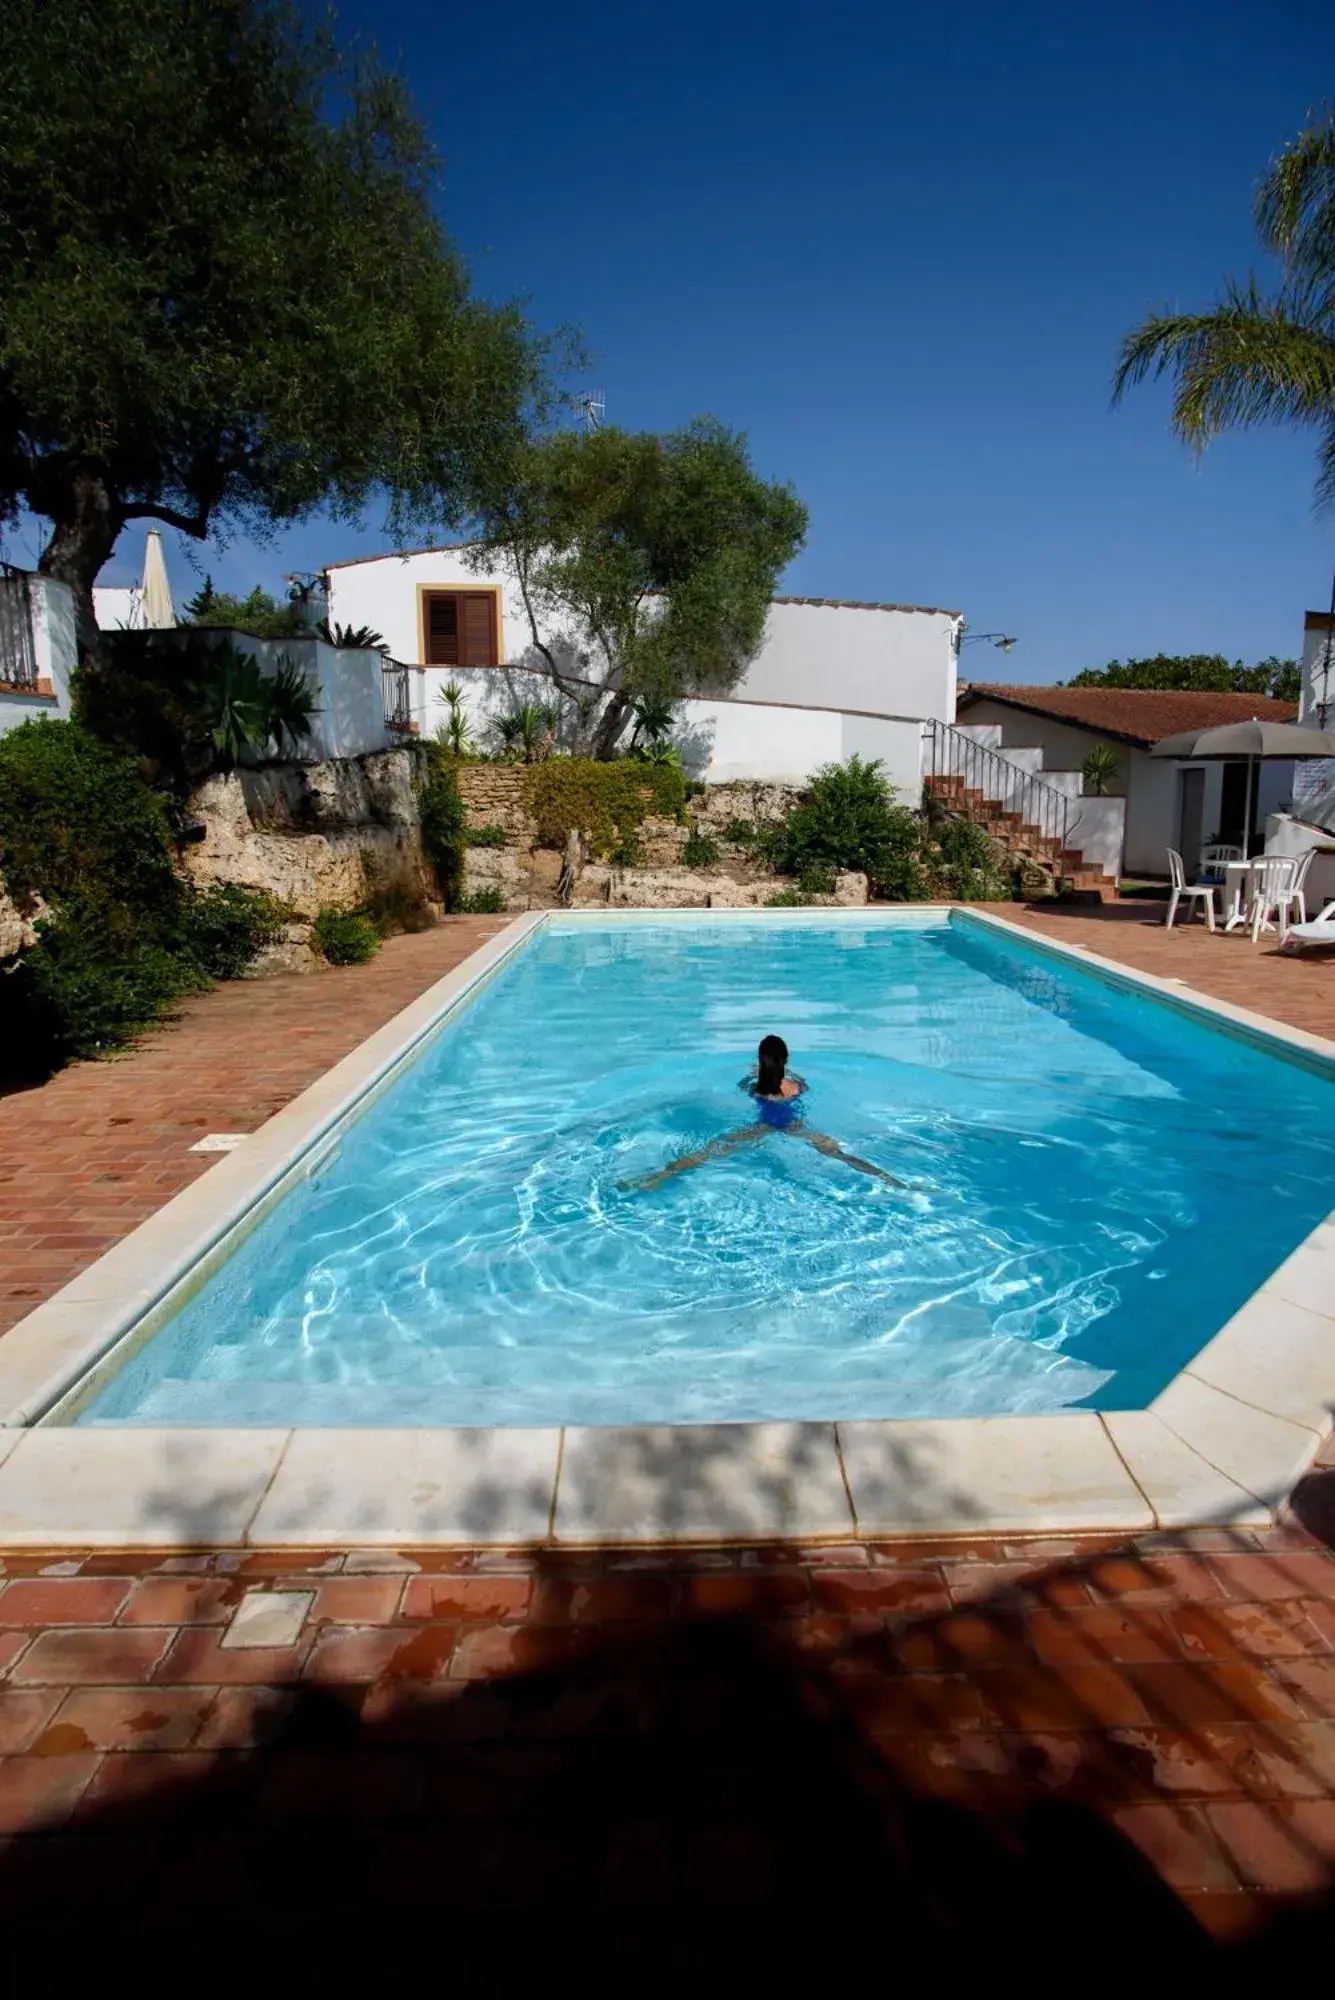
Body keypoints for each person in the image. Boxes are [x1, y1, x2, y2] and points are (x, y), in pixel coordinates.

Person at [625, 1034, 901, 1191]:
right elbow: (801, 1087)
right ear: (785, 1060)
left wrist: (757, 1075)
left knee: (707, 1152)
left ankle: (659, 1177)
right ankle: (890, 1180)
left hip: (761, 1126)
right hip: (795, 1125)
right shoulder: (795, 1086)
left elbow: (745, 1089)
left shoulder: (754, 1087)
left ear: (761, 1061)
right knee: (838, 1153)